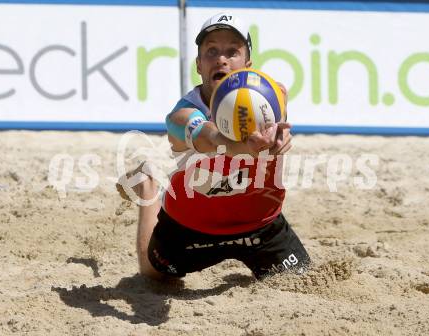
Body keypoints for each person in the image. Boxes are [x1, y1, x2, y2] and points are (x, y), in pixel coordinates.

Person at [117, 12, 310, 280]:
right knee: (154, 277)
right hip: (190, 229)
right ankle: (148, 181)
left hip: (261, 227)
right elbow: (211, 138)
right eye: (212, 51)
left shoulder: (274, 99)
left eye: (232, 51)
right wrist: (246, 147)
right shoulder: (181, 116)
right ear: (198, 64)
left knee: (302, 283)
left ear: (248, 63)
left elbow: (278, 134)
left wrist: (280, 139)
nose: (221, 58)